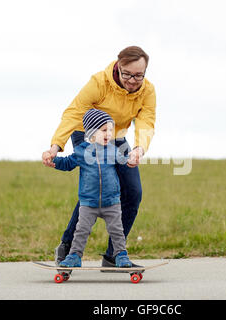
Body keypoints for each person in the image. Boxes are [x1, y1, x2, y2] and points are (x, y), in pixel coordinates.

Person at [42, 46, 156, 268]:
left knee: (133, 191)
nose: (133, 81)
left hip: (117, 136)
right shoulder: (99, 82)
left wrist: (139, 149)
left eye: (139, 75)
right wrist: (56, 147)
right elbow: (74, 112)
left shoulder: (147, 91)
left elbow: (146, 120)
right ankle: (67, 248)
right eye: (128, 74)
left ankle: (115, 254)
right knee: (94, 188)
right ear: (118, 67)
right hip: (87, 135)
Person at [52, 109, 132, 268]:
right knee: (81, 231)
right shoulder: (81, 151)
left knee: (117, 231)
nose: (109, 133)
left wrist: (132, 159)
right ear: (91, 133)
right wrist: (53, 160)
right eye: (104, 130)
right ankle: (75, 255)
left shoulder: (113, 150)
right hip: (88, 203)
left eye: (110, 130)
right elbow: (67, 163)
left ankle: (121, 255)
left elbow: (124, 161)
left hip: (112, 202)